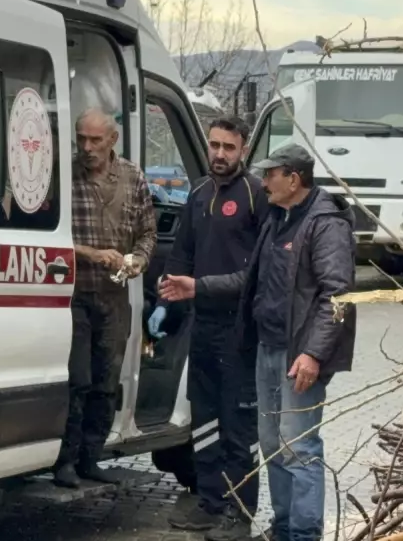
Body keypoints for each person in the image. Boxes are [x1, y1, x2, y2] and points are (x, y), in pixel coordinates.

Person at [159, 144, 357, 541]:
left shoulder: (325, 224)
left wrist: (313, 354)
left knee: (299, 446)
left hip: (299, 353)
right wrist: (197, 287)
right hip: (266, 348)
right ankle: (283, 527)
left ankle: (303, 533)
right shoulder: (278, 219)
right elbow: (247, 281)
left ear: (293, 179)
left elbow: (337, 297)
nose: (263, 181)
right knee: (271, 444)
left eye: (271, 174)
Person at [147, 116, 269, 540]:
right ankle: (209, 502)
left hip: (240, 330)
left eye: (228, 147)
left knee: (238, 424)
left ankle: (240, 511)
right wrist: (165, 304)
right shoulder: (197, 193)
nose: (219, 154)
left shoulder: (257, 196)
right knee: (204, 418)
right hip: (203, 326)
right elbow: (181, 256)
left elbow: (259, 271)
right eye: (214, 145)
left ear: (243, 148)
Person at [55, 108, 157, 488]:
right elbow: (51, 238)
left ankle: (90, 458)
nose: (86, 147)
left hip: (115, 296)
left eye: (95, 140)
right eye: (81, 138)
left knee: (106, 381)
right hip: (74, 294)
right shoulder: (63, 175)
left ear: (113, 140)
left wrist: (139, 260)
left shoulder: (133, 178)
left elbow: (149, 231)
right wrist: (91, 253)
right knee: (76, 379)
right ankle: (64, 461)